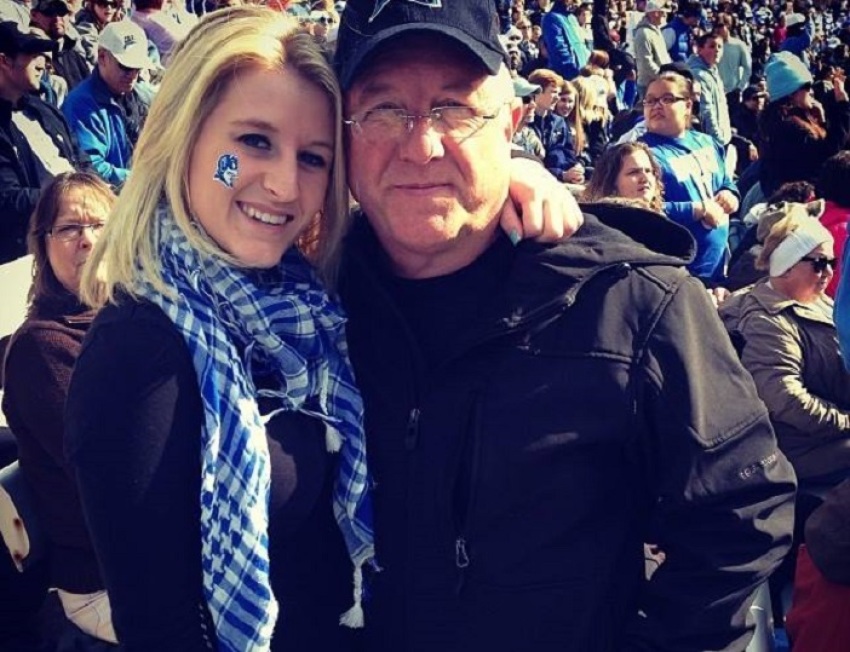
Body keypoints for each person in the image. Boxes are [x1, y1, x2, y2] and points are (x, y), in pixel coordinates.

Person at [334, 1, 796, 651]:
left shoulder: (633, 300)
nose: (422, 145)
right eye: (385, 109)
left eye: (455, 108)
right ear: (342, 131)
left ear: (511, 124)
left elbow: (742, 511)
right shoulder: (301, 308)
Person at [65, 8, 375, 650]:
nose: (286, 184)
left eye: (313, 157)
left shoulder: (308, 301)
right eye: (254, 141)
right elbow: (162, 627)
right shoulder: (138, 350)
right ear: (184, 136)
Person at [2, 171, 117, 649]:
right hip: (103, 581)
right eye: (69, 228)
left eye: (99, 225)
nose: (87, 240)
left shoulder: (126, 315)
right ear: (44, 247)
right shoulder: (43, 348)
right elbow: (112, 480)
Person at [720, 204, 850, 485]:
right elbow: (786, 401)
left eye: (832, 262)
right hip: (801, 448)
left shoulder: (817, 300)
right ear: (786, 267)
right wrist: (846, 421)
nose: (827, 272)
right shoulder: (766, 322)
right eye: (818, 263)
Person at [0, 21, 89, 265]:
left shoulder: (44, 109)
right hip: (34, 247)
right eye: (32, 56)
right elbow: (8, 200)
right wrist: (68, 196)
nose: (43, 64)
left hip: (83, 217)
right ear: (4, 62)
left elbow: (79, 157)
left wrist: (92, 188)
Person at [639, 71, 739, 282]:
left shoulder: (707, 143)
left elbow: (725, 181)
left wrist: (730, 194)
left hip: (716, 268)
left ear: (688, 106)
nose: (657, 106)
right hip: (676, 274)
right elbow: (638, 210)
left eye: (667, 99)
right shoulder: (640, 154)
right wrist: (697, 209)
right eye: (650, 100)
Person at [61, 20, 152, 185]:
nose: (132, 75)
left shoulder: (140, 93)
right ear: (102, 57)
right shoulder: (81, 105)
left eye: (137, 68)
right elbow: (91, 168)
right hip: (112, 197)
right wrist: (143, 180)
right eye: (126, 66)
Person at [759, 51, 850, 198]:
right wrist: (842, 104)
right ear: (791, 93)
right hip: (805, 200)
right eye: (807, 86)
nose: (812, 91)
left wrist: (821, 120)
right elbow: (829, 154)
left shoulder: (782, 119)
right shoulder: (789, 127)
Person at [582, 140, 663, 211]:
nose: (645, 178)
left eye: (648, 171)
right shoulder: (602, 222)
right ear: (612, 181)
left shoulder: (662, 219)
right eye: (634, 172)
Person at [30, 0, 91, 92]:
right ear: (34, 15)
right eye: (49, 11)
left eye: (61, 11)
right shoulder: (29, 58)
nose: (57, 18)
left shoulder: (75, 56)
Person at [687, 31, 732, 147]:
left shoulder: (713, 72)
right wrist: (718, 140)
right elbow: (706, 111)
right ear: (700, 50)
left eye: (720, 47)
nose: (717, 50)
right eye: (712, 46)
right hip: (711, 141)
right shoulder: (699, 75)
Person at [541, 0, 590, 80]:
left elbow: (582, 46)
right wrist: (574, 74)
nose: (578, 3)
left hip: (583, 73)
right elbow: (559, 50)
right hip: (568, 76)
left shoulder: (573, 18)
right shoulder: (551, 18)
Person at [633, 0, 670, 97]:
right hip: (649, 85)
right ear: (655, 13)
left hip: (659, 82)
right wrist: (663, 77)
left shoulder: (656, 30)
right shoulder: (643, 33)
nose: (665, 15)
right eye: (663, 12)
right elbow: (646, 62)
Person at [74, 0, 121, 68]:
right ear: (92, 5)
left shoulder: (114, 21)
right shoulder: (86, 24)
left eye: (113, 4)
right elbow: (94, 57)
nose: (108, 8)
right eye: (103, 3)